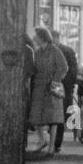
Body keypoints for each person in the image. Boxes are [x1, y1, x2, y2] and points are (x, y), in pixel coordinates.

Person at [28, 27, 66, 155]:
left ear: (42, 37)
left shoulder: (54, 50)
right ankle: (42, 140)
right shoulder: (37, 52)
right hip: (39, 86)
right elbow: (34, 69)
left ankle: (51, 146)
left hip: (52, 87)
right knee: (37, 115)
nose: (34, 38)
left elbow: (64, 67)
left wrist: (55, 80)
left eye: (36, 36)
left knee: (52, 118)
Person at [52, 29, 81, 152]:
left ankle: (56, 142)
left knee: (59, 115)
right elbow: (74, 71)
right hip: (61, 86)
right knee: (58, 115)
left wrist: (65, 85)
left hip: (60, 86)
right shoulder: (66, 51)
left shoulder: (64, 51)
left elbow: (72, 71)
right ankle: (57, 141)